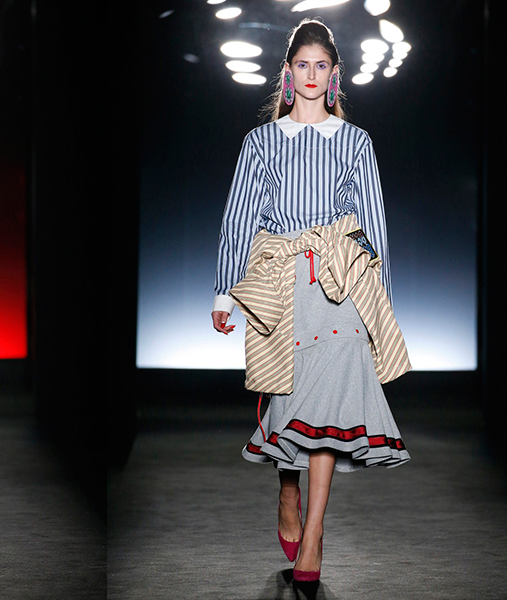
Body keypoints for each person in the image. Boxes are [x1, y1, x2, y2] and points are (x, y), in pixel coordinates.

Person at [211, 20, 410, 583]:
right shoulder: (261, 142)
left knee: (333, 407)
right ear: (288, 72)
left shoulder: (355, 141)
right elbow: (239, 219)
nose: (312, 75)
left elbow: (374, 223)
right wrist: (225, 291)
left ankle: (315, 534)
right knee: (290, 399)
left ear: (335, 74)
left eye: (322, 65)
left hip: (341, 282)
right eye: (303, 65)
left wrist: (381, 303)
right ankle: (288, 492)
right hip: (280, 282)